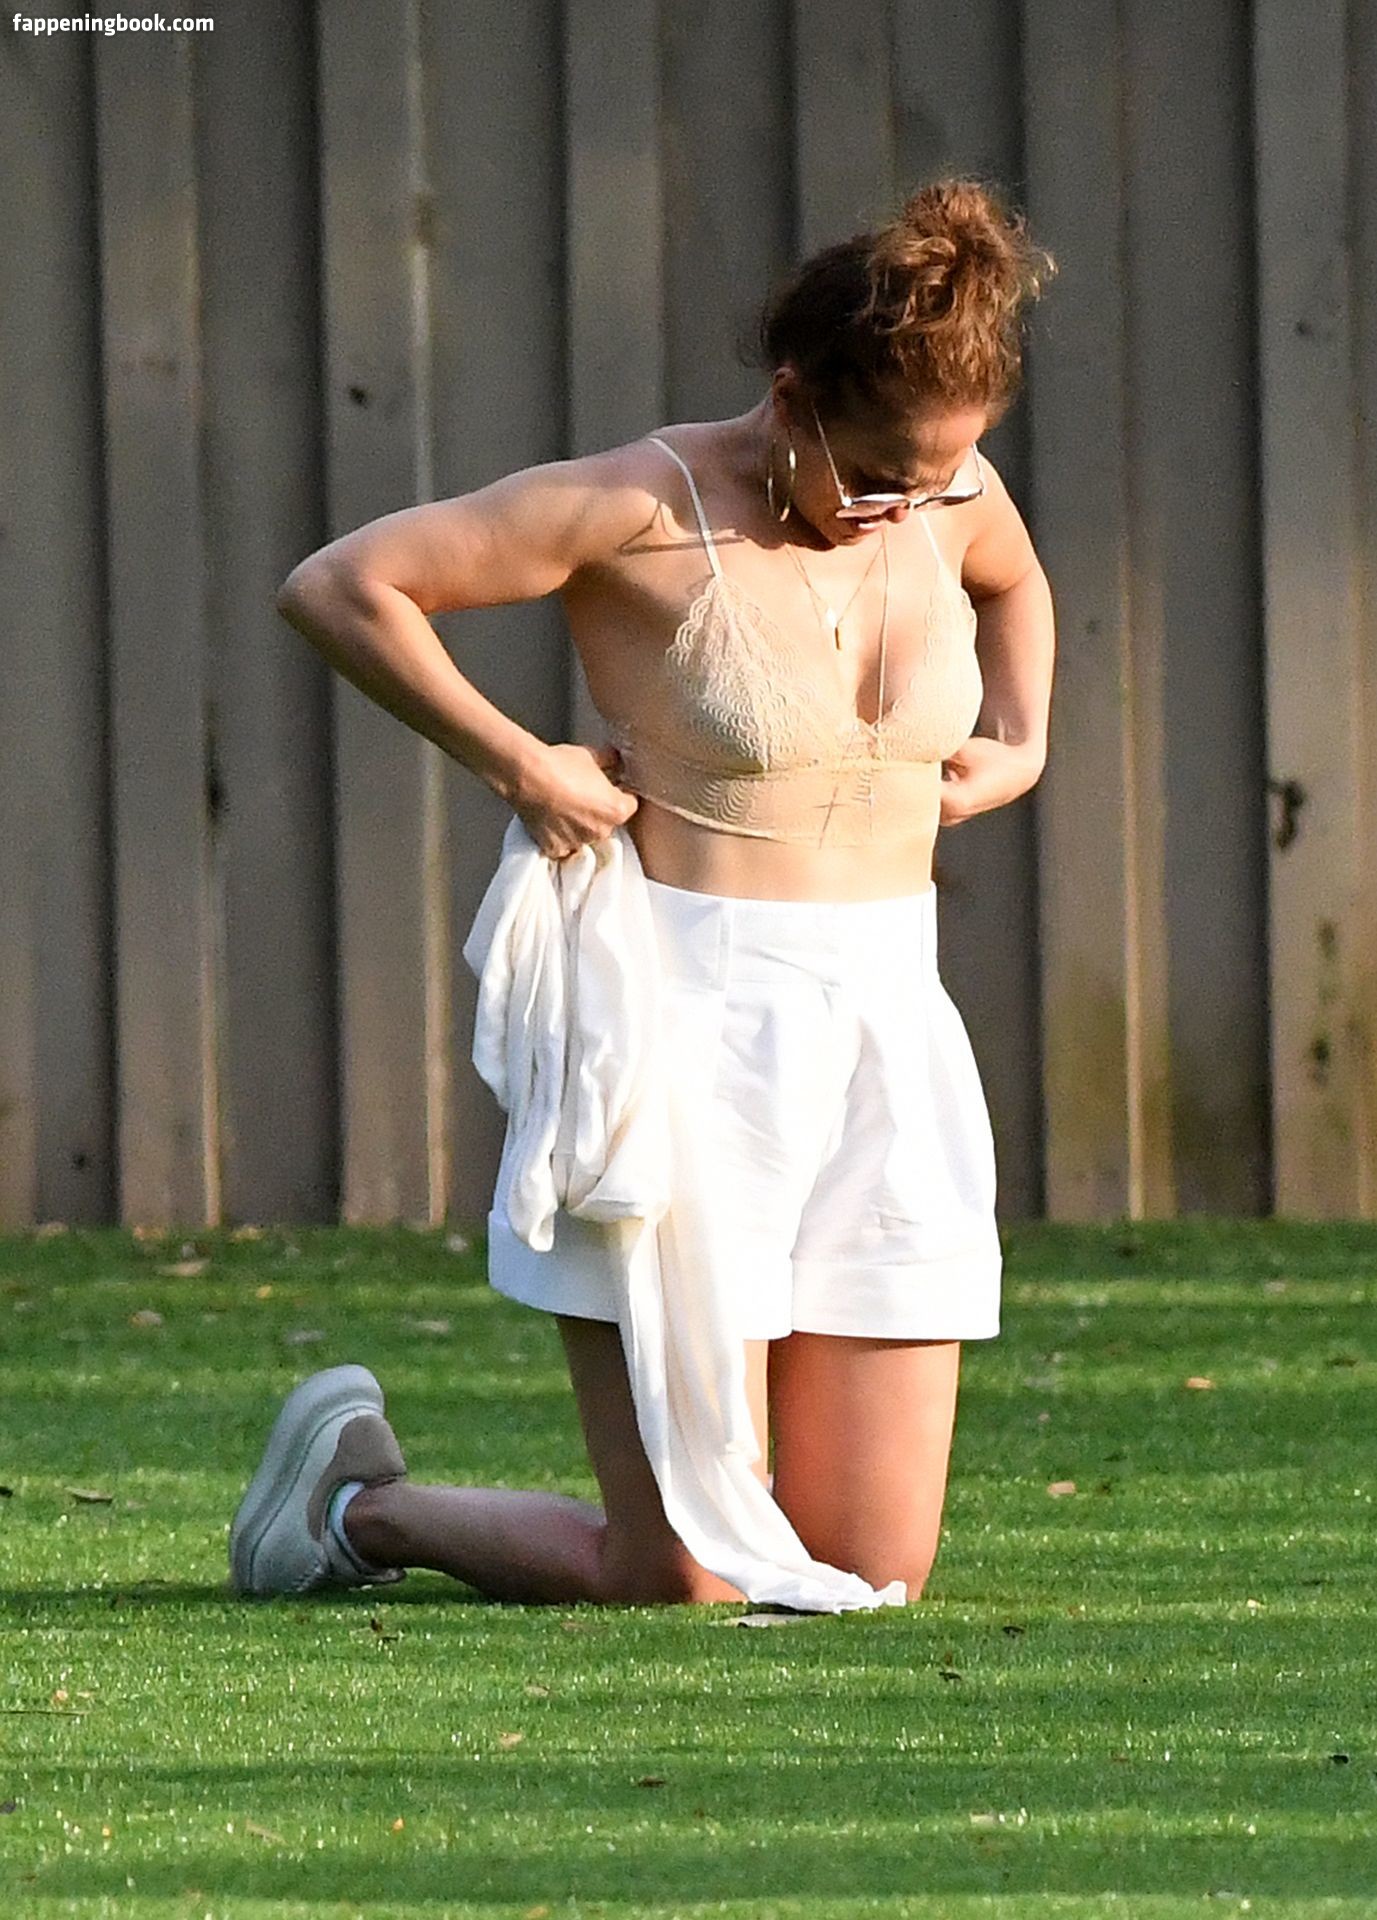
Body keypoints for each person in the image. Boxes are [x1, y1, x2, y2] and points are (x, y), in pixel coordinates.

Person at [229, 176, 1056, 1610]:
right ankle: (360, 1506)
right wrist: (519, 766)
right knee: (685, 1574)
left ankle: (385, 1506)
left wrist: (1022, 740)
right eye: (877, 476)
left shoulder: (945, 491)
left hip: (889, 1015)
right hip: (694, 1025)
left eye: (941, 478)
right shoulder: (638, 506)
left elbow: (1014, 580)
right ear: (792, 402)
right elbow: (343, 585)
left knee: (866, 1571)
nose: (908, 510)